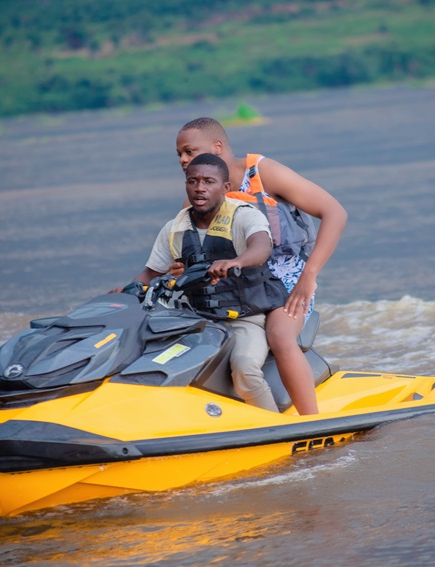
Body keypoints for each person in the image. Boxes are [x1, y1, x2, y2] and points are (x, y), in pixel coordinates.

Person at [173, 117, 347, 415]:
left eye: (189, 151)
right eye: (179, 155)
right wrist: (182, 268)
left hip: (288, 279)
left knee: (279, 334)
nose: (183, 160)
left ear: (217, 147)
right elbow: (188, 252)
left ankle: (310, 422)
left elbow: (334, 212)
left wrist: (309, 276)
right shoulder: (201, 193)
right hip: (238, 288)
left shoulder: (262, 173)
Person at [120, 153, 288, 412]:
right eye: (193, 181)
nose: (200, 188)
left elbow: (261, 247)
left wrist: (237, 262)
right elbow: (148, 274)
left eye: (209, 181)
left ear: (225, 188)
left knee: (244, 369)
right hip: (195, 318)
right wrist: (121, 296)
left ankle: (276, 428)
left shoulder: (244, 216)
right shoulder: (173, 228)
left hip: (245, 316)